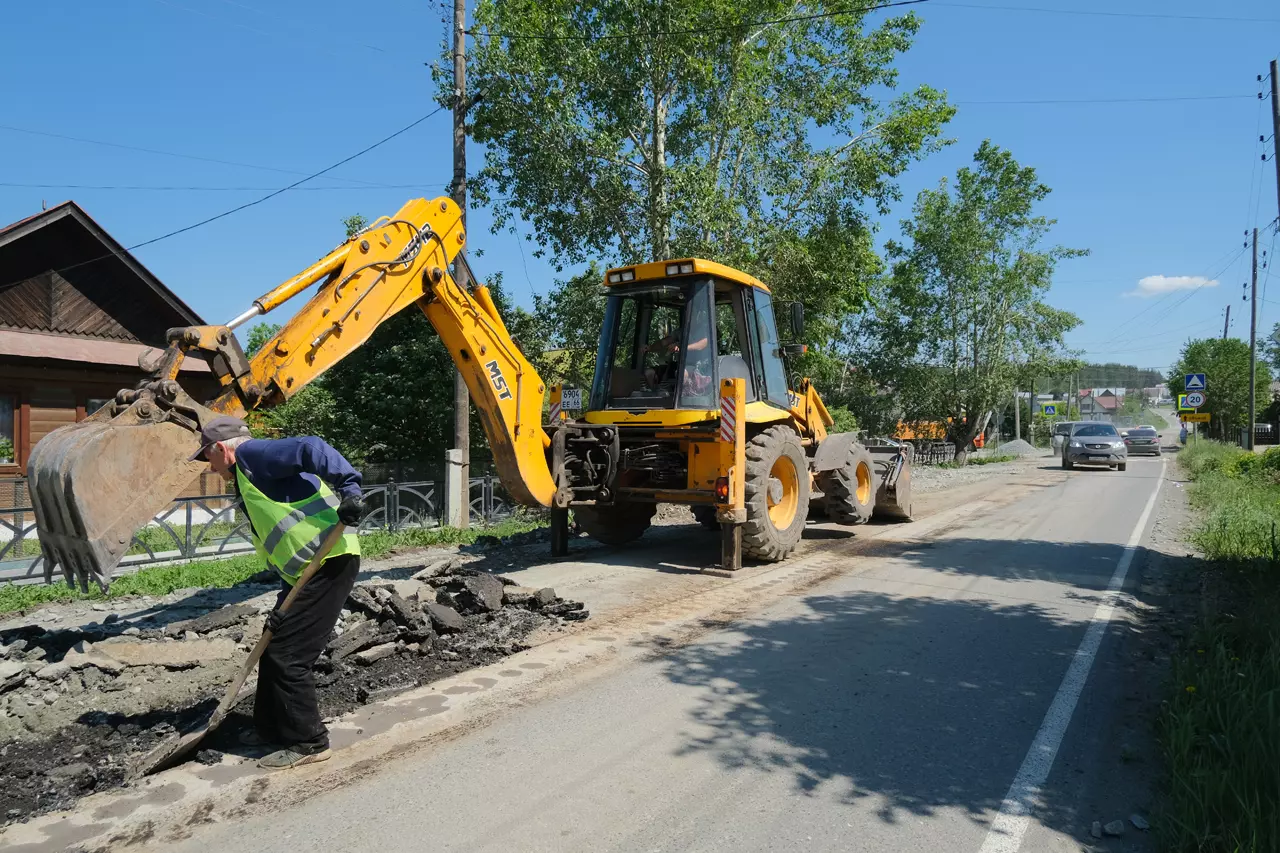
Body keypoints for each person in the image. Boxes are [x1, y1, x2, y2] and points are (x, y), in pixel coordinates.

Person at [193, 416, 366, 770]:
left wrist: (351, 489)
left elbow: (309, 446)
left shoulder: (254, 454)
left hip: (328, 562)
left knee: (289, 656)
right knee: (273, 644)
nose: (208, 467)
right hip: (304, 571)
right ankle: (271, 729)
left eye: (207, 457)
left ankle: (308, 741)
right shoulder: (247, 472)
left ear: (221, 448)